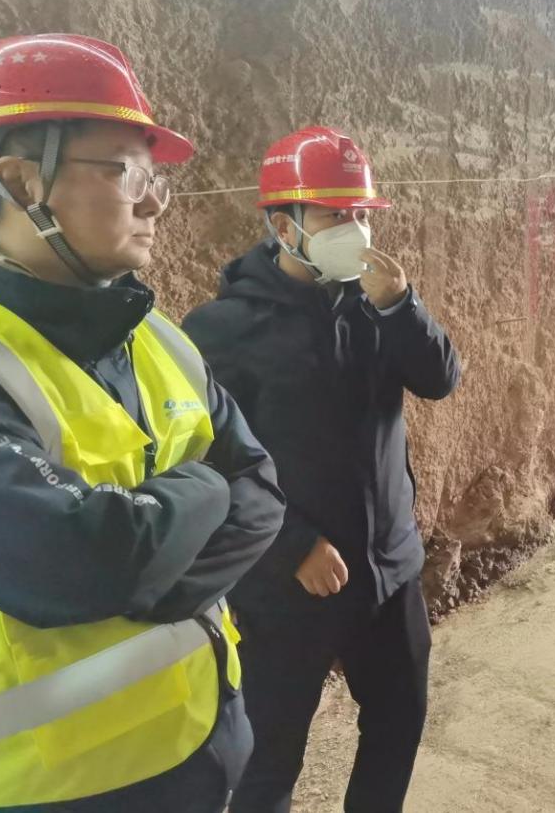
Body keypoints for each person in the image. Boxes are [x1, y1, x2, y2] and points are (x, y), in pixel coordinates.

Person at [0, 33, 285, 811]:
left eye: (156, 178)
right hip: (48, 787)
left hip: (203, 746)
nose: (154, 202)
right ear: (21, 182)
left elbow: (262, 493)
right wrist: (205, 487)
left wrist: (148, 568)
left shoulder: (158, 339)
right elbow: (81, 560)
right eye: (126, 173)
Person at [183, 125, 461, 813]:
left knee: (398, 723)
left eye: (361, 212)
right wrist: (291, 545)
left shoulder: (378, 305)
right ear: (284, 226)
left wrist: (402, 306)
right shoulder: (223, 330)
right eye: (335, 214)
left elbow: (439, 379)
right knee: (268, 758)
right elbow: (205, 460)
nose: (355, 228)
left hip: (388, 568)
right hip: (289, 587)